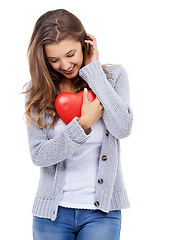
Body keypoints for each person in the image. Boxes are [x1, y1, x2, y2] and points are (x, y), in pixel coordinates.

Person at [24, 9, 133, 240]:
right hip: (52, 215)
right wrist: (83, 125)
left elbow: (123, 128)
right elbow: (39, 155)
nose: (64, 65)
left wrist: (94, 73)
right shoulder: (38, 93)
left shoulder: (113, 78)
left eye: (70, 54)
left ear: (84, 44)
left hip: (102, 212)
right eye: (54, 60)